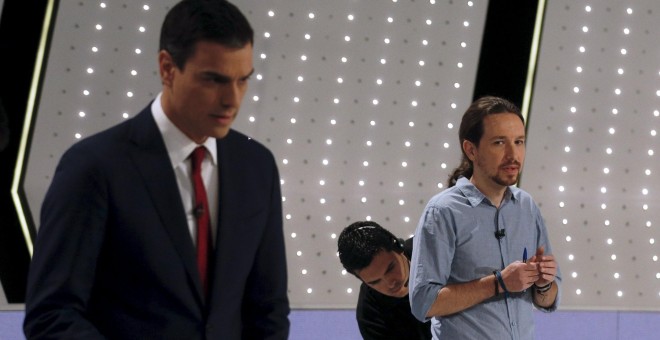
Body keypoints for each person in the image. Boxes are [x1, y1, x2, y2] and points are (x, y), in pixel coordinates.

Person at [23, 1, 290, 338]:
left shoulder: (257, 166)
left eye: (242, 80)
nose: (232, 100)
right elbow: (51, 316)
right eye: (214, 80)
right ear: (167, 68)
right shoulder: (93, 167)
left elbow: (268, 310)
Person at [409, 96, 561, 339]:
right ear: (471, 149)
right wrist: (499, 283)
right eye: (499, 142)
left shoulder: (526, 206)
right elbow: (423, 303)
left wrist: (543, 283)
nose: (513, 154)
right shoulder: (443, 210)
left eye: (519, 142)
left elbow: (548, 299)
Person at [338, 221, 432, 340]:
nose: (390, 283)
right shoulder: (370, 315)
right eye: (375, 282)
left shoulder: (435, 250)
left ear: (398, 246)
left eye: (390, 269)